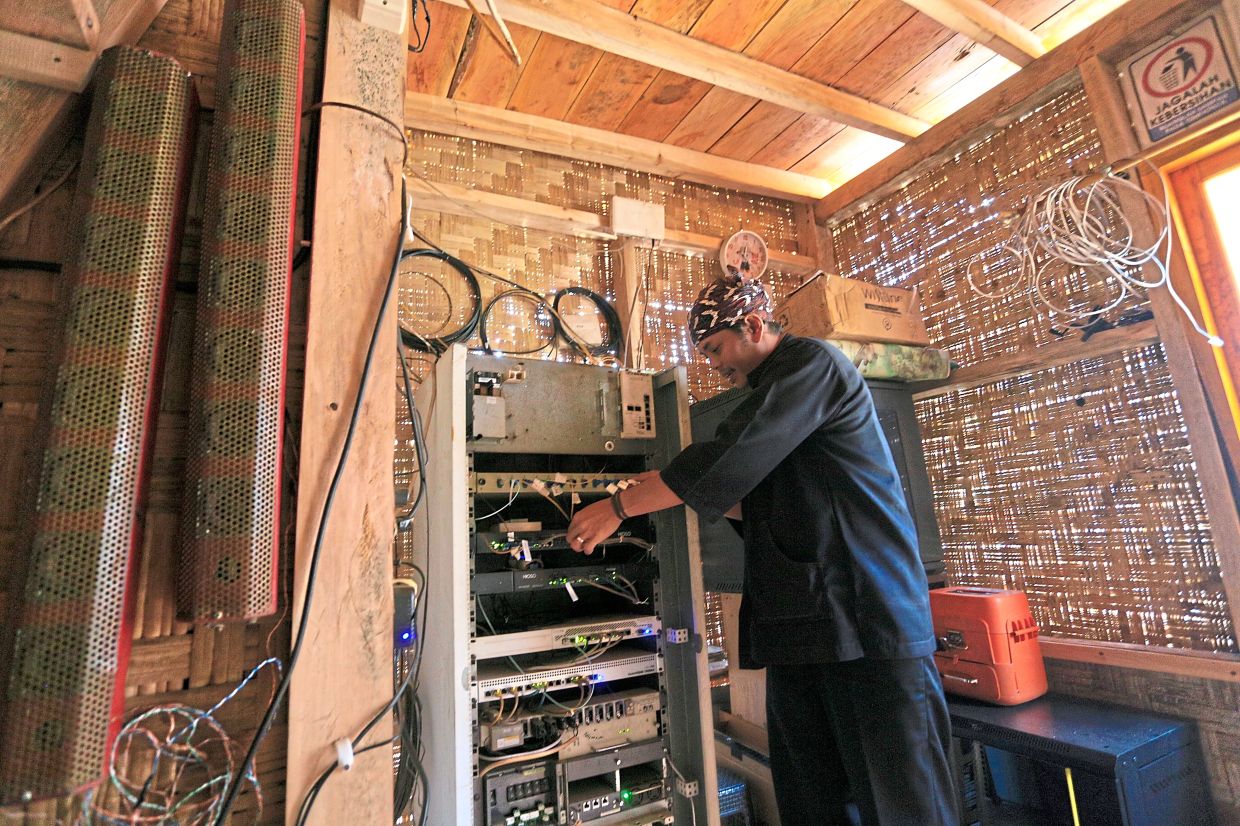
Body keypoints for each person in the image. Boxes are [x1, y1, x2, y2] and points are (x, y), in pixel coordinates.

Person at [566, 272, 957, 826]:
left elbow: (723, 462)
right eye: (705, 353)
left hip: (870, 620)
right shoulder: (767, 398)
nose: (715, 364)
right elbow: (749, 496)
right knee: (811, 798)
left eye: (717, 348)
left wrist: (621, 508)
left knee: (902, 801)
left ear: (752, 324)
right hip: (804, 626)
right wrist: (663, 493)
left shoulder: (811, 365)